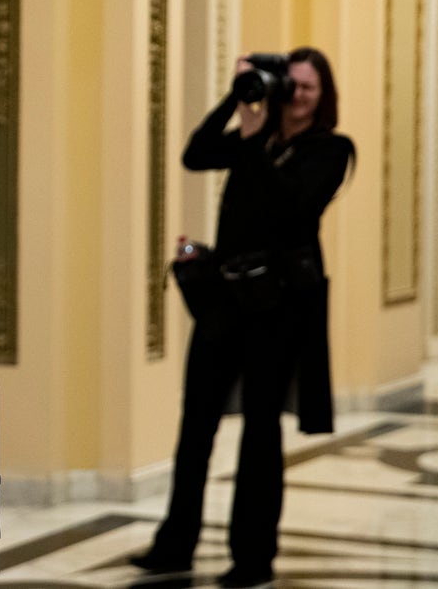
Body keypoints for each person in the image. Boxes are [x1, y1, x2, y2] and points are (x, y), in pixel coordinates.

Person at [130, 47, 355, 587]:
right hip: (225, 302)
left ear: (323, 97)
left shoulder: (330, 150)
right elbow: (195, 153)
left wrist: (255, 140)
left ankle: (253, 557)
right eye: (290, 85)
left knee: (259, 430)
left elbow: (293, 207)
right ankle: (174, 542)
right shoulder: (257, 137)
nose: (297, 95)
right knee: (196, 422)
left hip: (278, 309)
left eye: (308, 87)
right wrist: (236, 96)